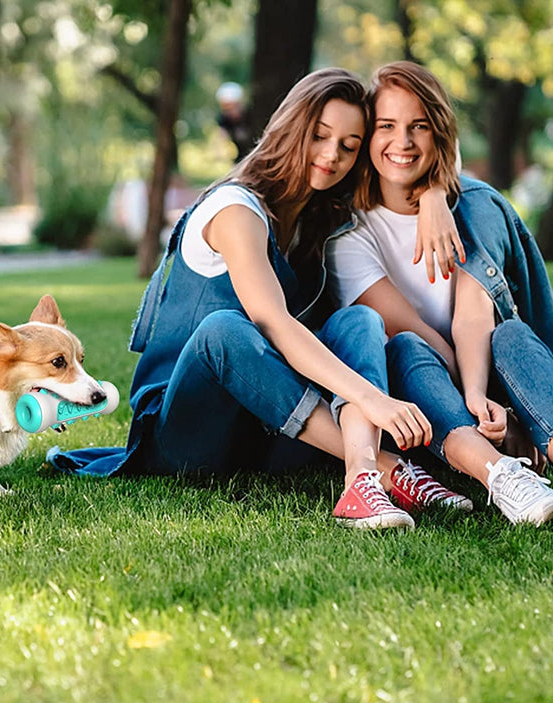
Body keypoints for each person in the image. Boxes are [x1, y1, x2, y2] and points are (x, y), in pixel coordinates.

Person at [48, 67, 471, 530]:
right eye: (319, 136)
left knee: (359, 321)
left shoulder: (316, 221)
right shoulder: (235, 210)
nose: (331, 155)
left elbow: (404, 165)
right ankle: (388, 470)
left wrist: (432, 194)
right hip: (186, 435)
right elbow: (273, 323)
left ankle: (361, 480)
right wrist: (375, 400)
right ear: (291, 128)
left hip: (266, 432)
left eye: (349, 146)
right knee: (224, 331)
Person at [326, 61, 553, 526]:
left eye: (419, 126)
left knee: (509, 335)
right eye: (386, 126)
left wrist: (483, 395)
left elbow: (474, 315)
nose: (402, 142)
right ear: (369, 136)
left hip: (492, 379)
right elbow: (419, 338)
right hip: (428, 392)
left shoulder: (473, 205)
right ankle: (503, 476)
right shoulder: (349, 236)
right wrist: (473, 405)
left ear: (440, 133)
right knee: (406, 346)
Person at [215, 82, 255, 162]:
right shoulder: (223, 119)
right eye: (226, 108)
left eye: (232, 106)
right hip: (241, 156)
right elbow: (221, 136)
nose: (229, 111)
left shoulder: (252, 116)